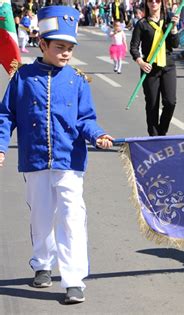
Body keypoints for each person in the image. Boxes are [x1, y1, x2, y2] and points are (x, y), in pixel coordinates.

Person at [0, 5, 114, 304]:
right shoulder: (22, 78)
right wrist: (0, 146)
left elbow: (86, 118)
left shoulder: (76, 80)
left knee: (72, 218)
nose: (65, 53)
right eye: (59, 47)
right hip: (35, 159)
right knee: (40, 216)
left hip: (70, 161)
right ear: (43, 45)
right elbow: (5, 116)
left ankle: (74, 279)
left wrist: (98, 135)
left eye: (69, 48)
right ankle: (42, 264)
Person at [129, 0, 179, 136]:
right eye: (151, 1)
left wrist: (174, 28)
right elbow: (134, 47)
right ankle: (154, 137)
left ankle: (161, 132)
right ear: (147, 3)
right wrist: (141, 62)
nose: (154, 3)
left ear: (162, 3)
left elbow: (175, 44)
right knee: (152, 104)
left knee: (170, 102)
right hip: (150, 68)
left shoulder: (168, 20)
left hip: (168, 65)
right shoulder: (142, 24)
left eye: (157, 0)